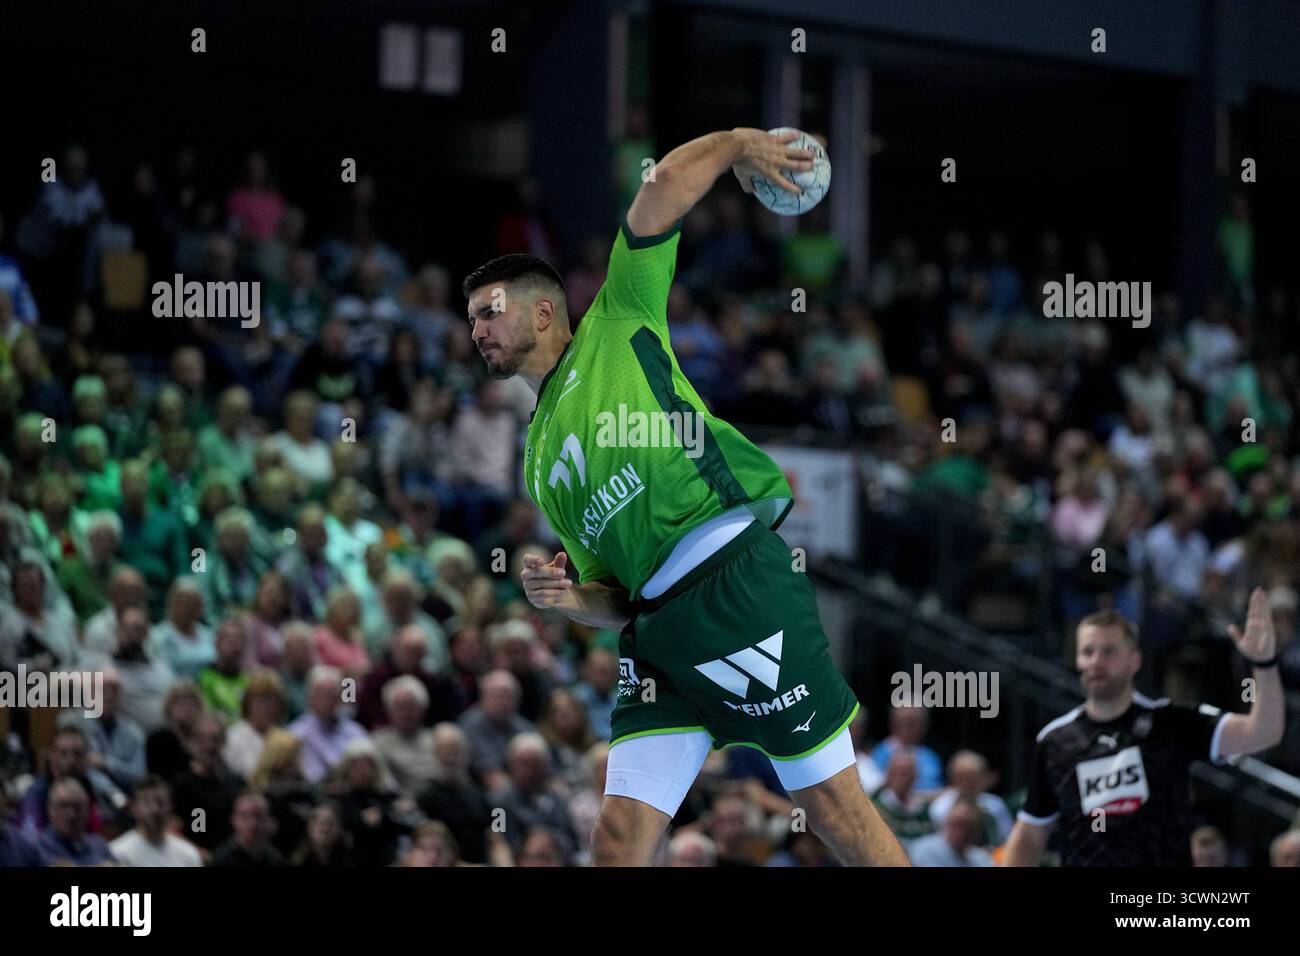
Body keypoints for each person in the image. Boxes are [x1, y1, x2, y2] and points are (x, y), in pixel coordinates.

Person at [463, 127, 907, 865]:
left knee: (831, 807)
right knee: (616, 842)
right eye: (470, 316)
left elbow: (662, 185)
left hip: (736, 584)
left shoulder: (617, 319)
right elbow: (615, 596)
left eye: (488, 310)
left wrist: (739, 144)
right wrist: (566, 600)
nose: (475, 328)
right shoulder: (537, 460)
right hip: (661, 638)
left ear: (543, 311)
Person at [1003, 597, 1286, 866]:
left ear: (1135, 661)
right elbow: (1030, 834)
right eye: (1088, 652)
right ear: (1077, 660)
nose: (1096, 662)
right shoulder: (1055, 740)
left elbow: (1263, 732)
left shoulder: (1172, 721)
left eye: (1109, 651)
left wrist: (1264, 664)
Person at [288, 665, 367, 783]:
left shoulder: (355, 731)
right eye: (323, 696)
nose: (329, 701)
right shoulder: (296, 734)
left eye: (333, 695)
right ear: (310, 698)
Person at [109, 776, 203, 867]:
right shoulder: (118, 853)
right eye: (146, 803)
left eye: (160, 802)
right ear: (134, 808)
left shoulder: (188, 853)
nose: (155, 810)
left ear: (171, 806)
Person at [38, 778, 115, 866]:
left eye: (77, 807)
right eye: (63, 806)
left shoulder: (98, 844)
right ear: (50, 809)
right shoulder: (39, 848)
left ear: (88, 811)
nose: (71, 814)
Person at [907, 796, 995, 867]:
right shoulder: (924, 850)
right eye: (957, 825)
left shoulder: (979, 858)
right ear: (946, 823)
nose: (962, 833)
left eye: (968, 827)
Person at [208, 791, 287, 867]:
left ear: (268, 820)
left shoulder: (276, 860)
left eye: (258, 816)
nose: (252, 823)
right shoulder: (220, 860)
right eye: (244, 816)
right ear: (233, 819)